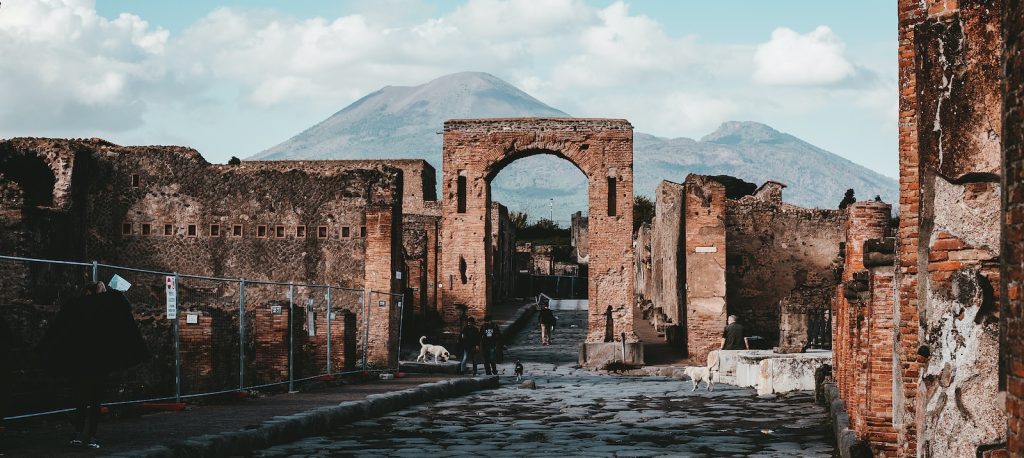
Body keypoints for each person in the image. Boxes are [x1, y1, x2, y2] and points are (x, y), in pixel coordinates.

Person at [38, 281, 149, 450]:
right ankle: (91, 436)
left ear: (87, 292)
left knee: (81, 400)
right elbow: (124, 306)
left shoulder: (76, 308)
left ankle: (78, 434)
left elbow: (61, 329)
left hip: (82, 362)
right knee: (94, 401)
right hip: (98, 363)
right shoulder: (107, 310)